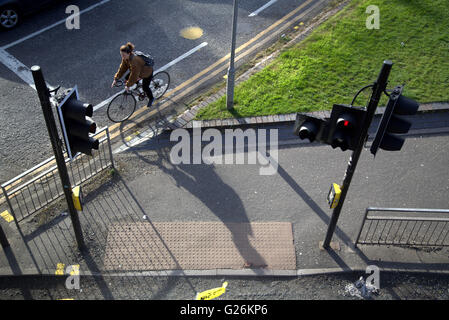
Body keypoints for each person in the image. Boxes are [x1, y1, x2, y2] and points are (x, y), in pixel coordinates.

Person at [111, 42, 154, 107]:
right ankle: (136, 85)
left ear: (129, 53)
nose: (122, 56)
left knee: (145, 87)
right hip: (138, 70)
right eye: (121, 55)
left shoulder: (134, 61)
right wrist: (116, 78)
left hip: (146, 71)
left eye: (123, 55)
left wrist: (128, 85)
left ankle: (151, 98)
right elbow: (122, 68)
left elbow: (134, 75)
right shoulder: (126, 58)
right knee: (127, 77)